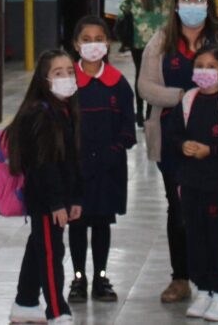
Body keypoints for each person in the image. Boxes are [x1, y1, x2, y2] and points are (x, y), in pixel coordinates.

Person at [138, 0, 218, 304]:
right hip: (173, 140)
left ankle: (217, 282)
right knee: (179, 209)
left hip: (216, 141)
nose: (192, 5)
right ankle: (181, 277)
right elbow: (145, 86)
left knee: (216, 211)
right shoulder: (162, 40)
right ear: (176, 4)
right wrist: (183, 96)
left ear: (208, 3)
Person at [162, 47, 218, 322]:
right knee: (196, 238)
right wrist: (182, 145)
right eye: (199, 66)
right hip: (191, 185)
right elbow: (173, 134)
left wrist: (210, 151)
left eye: (211, 66)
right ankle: (202, 289)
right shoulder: (188, 101)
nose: (205, 71)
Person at [5, 49, 83, 325]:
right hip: (46, 199)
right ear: (44, 79)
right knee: (51, 253)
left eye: (70, 72)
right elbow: (43, 166)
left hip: (59, 196)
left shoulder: (64, 109)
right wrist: (56, 204)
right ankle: (57, 310)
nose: (66, 78)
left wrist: (74, 197)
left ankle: (25, 302)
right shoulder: (39, 114)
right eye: (58, 73)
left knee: (39, 246)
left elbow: (70, 162)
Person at [66, 16, 136, 304]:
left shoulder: (118, 84)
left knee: (102, 224)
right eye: (86, 39)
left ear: (108, 44)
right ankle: (79, 277)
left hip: (109, 171)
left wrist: (112, 152)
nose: (92, 44)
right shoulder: (67, 82)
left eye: (99, 39)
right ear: (75, 44)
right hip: (76, 170)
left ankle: (101, 277)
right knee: (77, 224)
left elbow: (128, 130)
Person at [120, 0, 169, 127]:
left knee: (140, 74)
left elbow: (123, 9)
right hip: (160, 42)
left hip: (138, 40)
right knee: (155, 76)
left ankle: (139, 114)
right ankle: (150, 112)